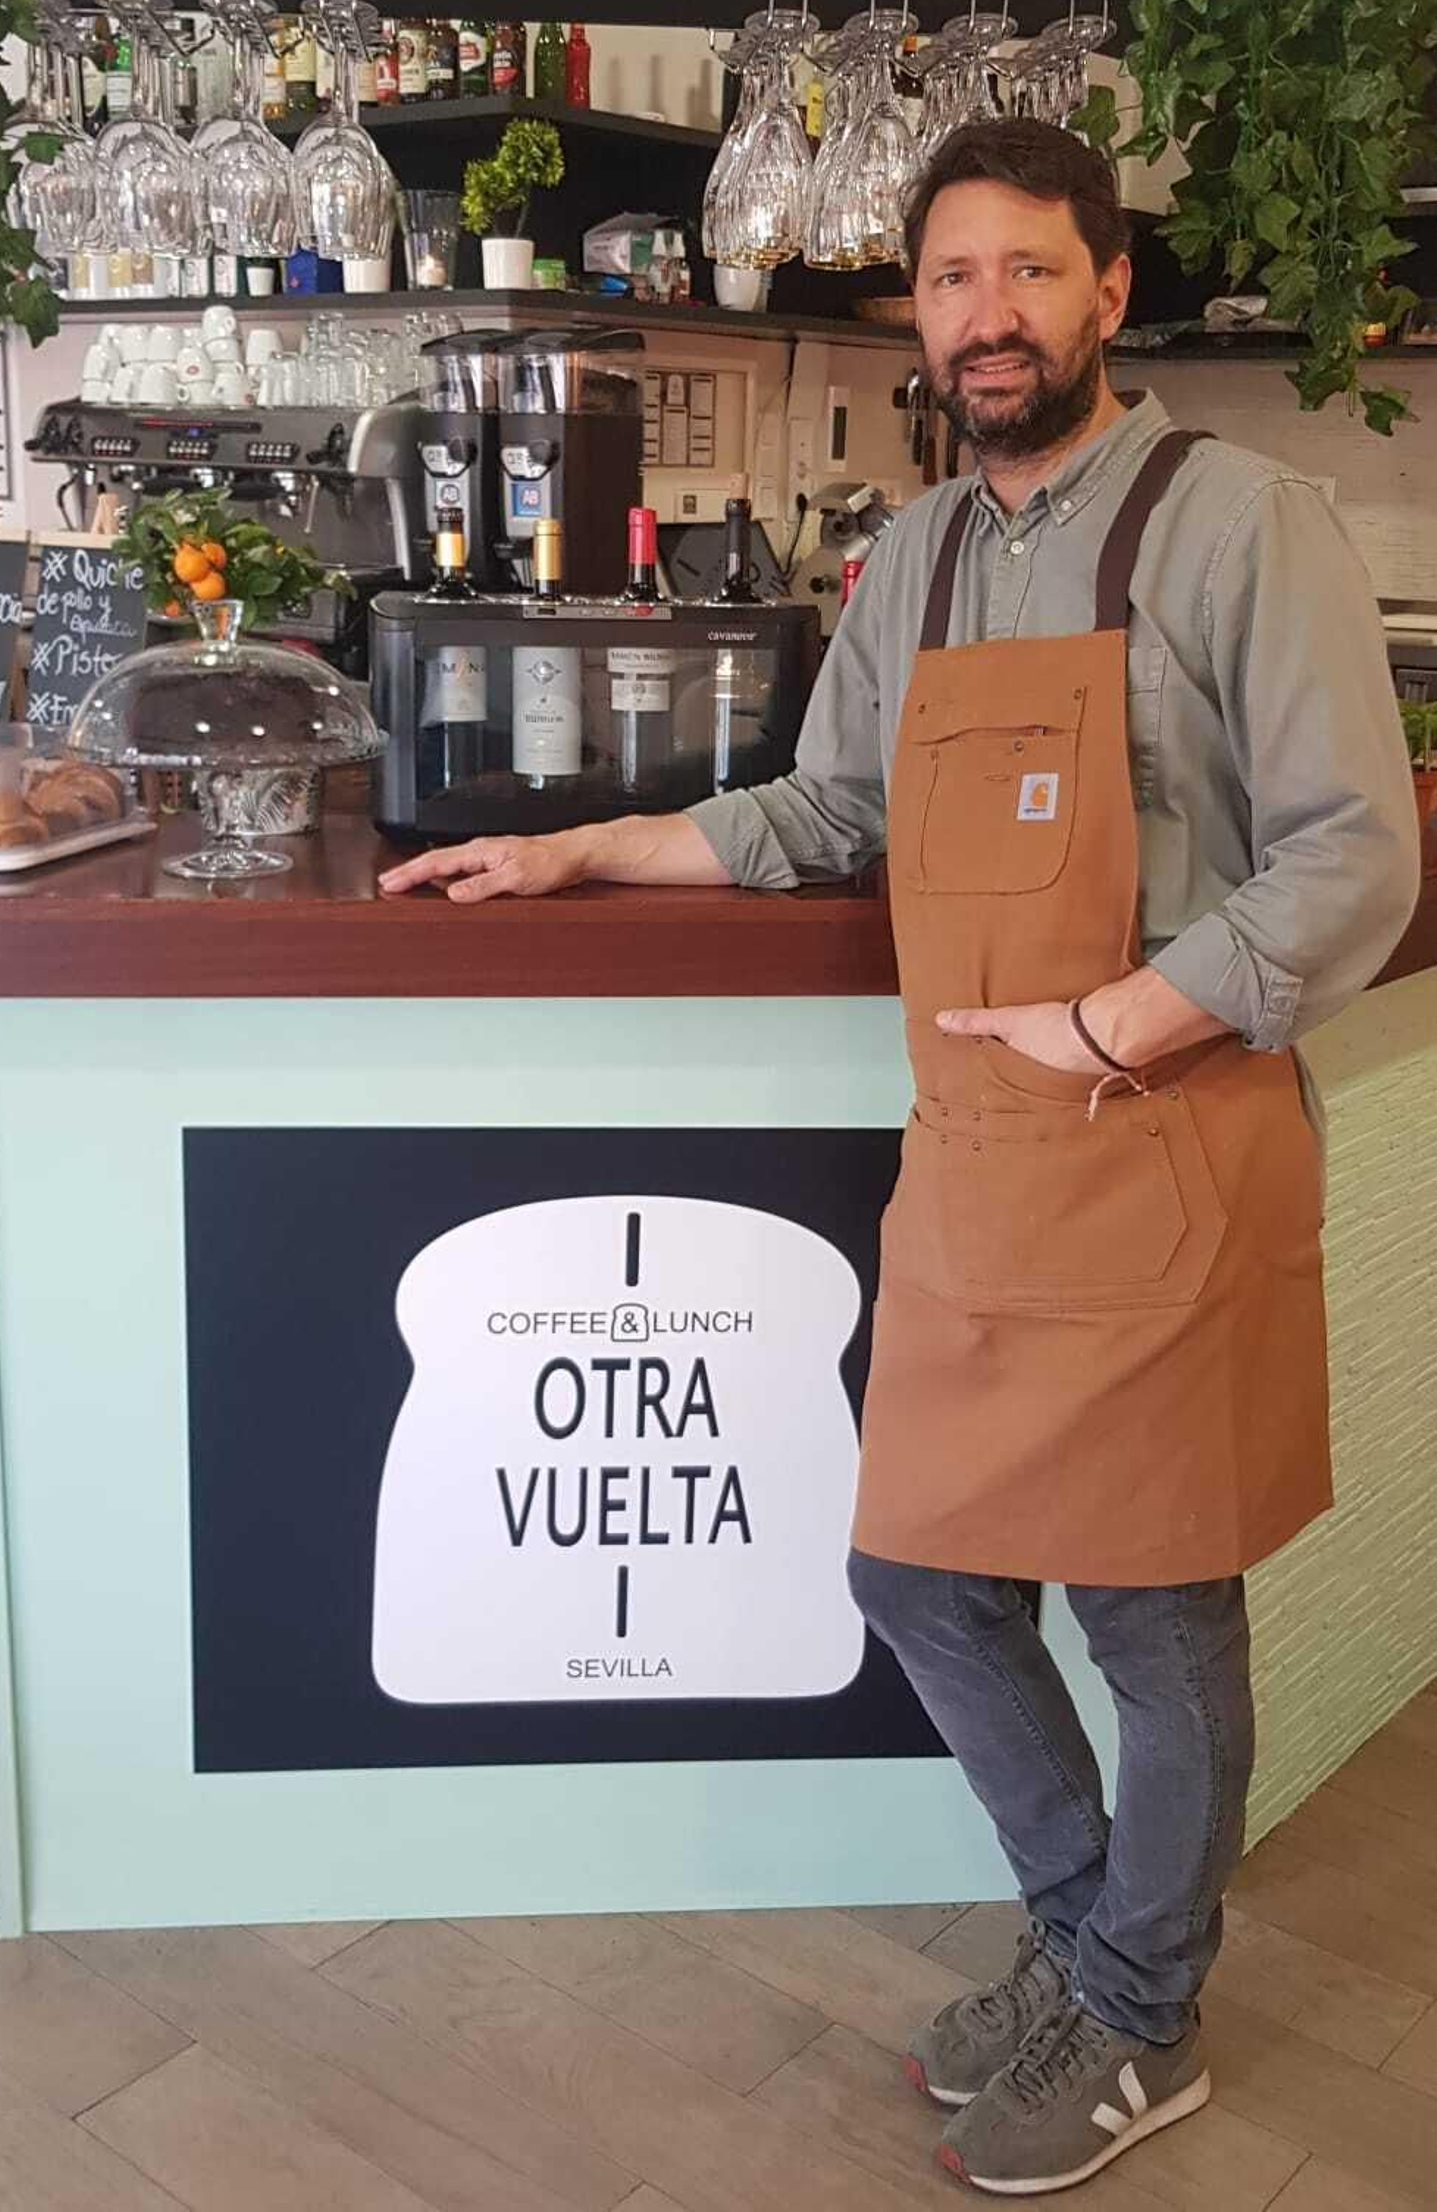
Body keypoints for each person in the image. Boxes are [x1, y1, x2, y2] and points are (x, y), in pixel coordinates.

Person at [381, 118, 1421, 2196]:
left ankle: (1137, 2011)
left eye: (1029, 272)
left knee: (1151, 1617)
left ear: (1106, 291)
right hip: (979, 1159)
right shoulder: (919, 559)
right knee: (915, 1573)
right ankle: (1088, 1934)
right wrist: (586, 845)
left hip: (1160, 1138)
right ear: (916, 309)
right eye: (951, 279)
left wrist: (1110, 1019)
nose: (986, 316)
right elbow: (820, 809)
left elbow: (1359, 852)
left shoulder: (1240, 523)